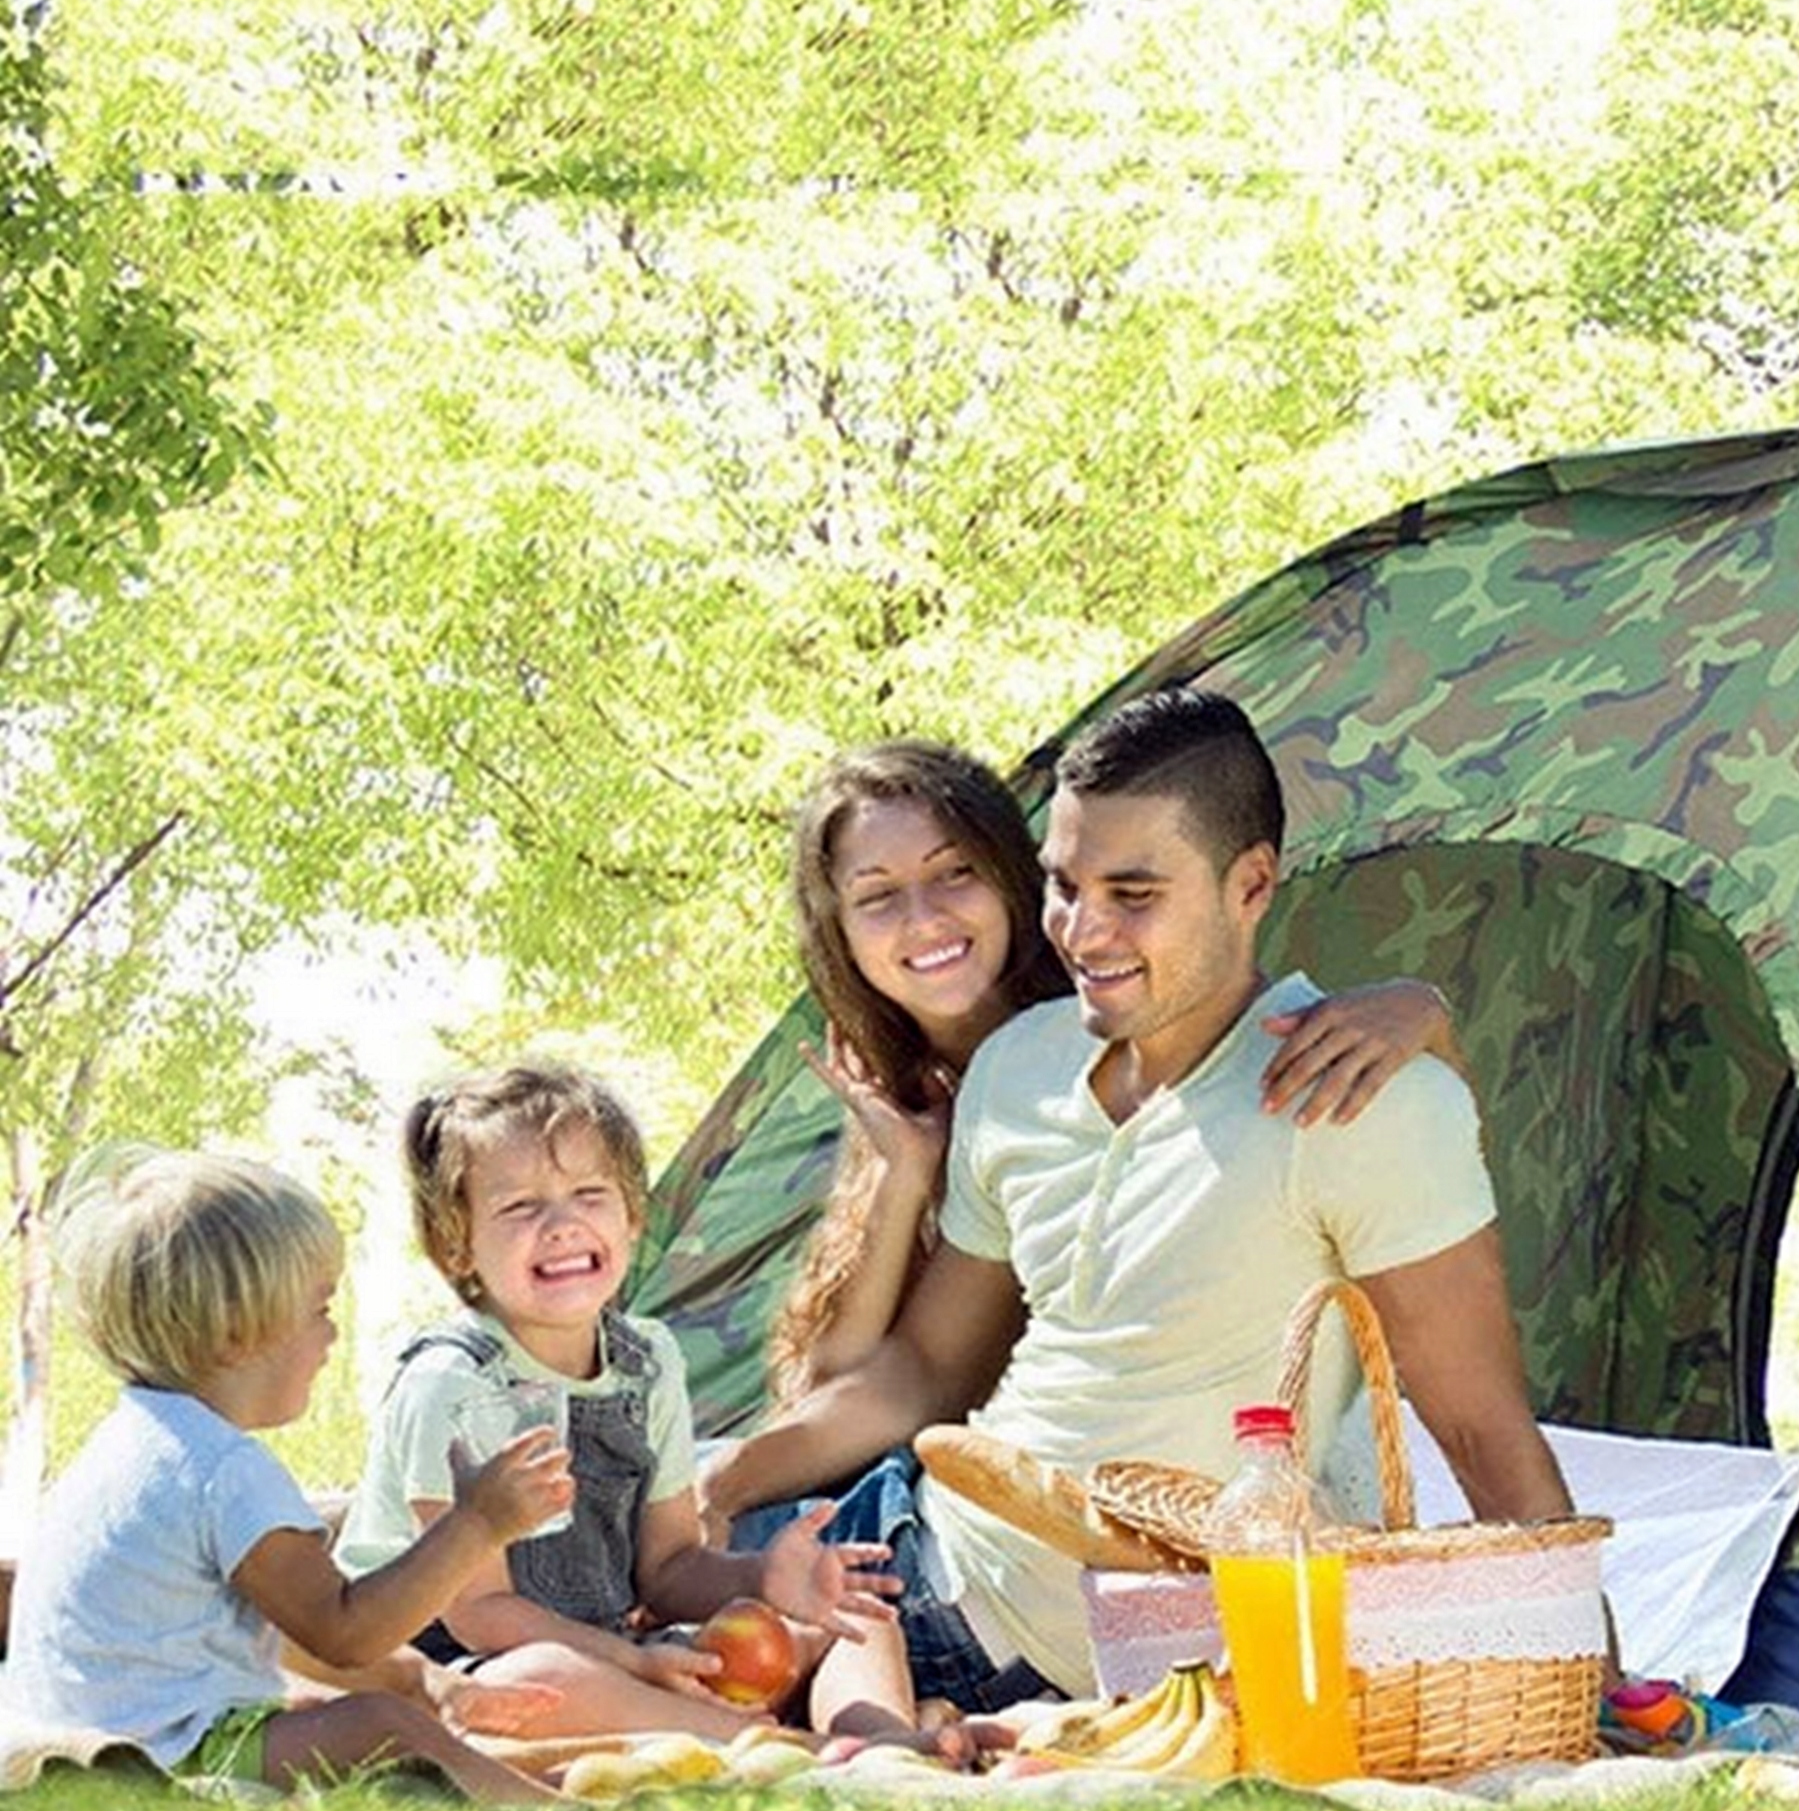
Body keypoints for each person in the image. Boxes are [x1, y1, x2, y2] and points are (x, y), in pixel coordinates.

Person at [707, 687, 1579, 1711]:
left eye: (1132, 893)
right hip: (908, 1543)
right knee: (598, 1557)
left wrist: (1591, 1683)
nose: (1084, 932)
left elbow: (1483, 1430)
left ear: (1252, 885)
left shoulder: (1359, 1097)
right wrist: (719, 1485)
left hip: (1032, 1638)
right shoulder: (1016, 1066)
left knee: (595, 1625)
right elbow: (927, 1367)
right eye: (1063, 886)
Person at [711, 736, 1455, 1522]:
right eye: (878, 896)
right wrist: (901, 1175)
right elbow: (836, 1388)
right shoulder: (909, 1096)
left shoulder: (1133, 1031)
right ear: (840, 931)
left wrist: (1426, 1013)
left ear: (1014, 877)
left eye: (955, 873)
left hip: (1201, 1488)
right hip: (1003, 1491)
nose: (923, 919)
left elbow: (1405, 1154)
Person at [332, 1061, 944, 1748]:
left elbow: (670, 1568)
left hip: (614, 1648)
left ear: (632, 1217)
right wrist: (635, 1664)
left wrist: (762, 1577)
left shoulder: (646, 1359)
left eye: (589, 1194)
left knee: (850, 1620)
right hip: (455, 1671)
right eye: (520, 1207)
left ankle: (885, 1747)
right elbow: (478, 1614)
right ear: (457, 1246)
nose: (562, 1224)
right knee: (545, 1679)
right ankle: (796, 1751)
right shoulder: (452, 1383)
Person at [0, 1148, 565, 1807]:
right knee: (380, 1728)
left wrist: (432, 1682)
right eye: (319, 1309)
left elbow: (288, 1629)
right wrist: (478, 1525)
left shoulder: (136, 1445)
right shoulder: (223, 1470)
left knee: (316, 1706)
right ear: (237, 1332)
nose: (332, 1337)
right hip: (157, 1760)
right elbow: (344, 1632)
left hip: (70, 1738)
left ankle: (512, 1779)